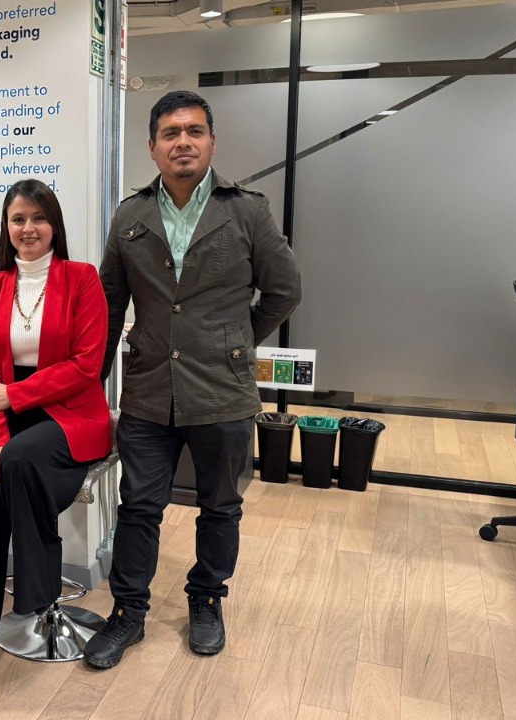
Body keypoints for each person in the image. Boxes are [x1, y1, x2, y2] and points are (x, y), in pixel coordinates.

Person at [86, 90, 302, 669]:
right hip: (148, 389)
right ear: (152, 147)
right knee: (138, 507)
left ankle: (207, 598)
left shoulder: (247, 211)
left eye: (194, 131)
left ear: (211, 142)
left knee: (221, 506)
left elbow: (284, 290)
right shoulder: (130, 216)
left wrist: (236, 341)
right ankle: (128, 611)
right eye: (170, 133)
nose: (183, 142)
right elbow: (109, 303)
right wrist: (93, 385)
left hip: (223, 391)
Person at [0, 179, 111, 700]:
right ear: (6, 227)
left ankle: (36, 590)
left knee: (20, 459)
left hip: (71, 413)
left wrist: (15, 396)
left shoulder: (82, 279)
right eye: (18, 219)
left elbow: (87, 365)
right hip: (3, 415)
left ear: (54, 224)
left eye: (38, 217)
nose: (28, 228)